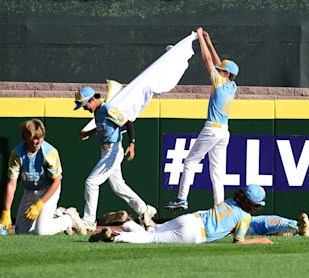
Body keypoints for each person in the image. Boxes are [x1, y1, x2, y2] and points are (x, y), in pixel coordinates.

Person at [166, 27, 239, 210]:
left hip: (212, 129)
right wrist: (209, 41)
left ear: (225, 74)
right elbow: (217, 62)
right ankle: (219, 206)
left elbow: (208, 60)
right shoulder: (232, 85)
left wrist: (199, 37)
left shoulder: (220, 82)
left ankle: (182, 199)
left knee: (190, 162)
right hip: (224, 131)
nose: (218, 70)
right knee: (217, 172)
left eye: (222, 70)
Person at [74, 86, 157, 231]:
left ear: (92, 99)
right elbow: (104, 127)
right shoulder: (98, 112)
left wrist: (132, 144)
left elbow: (127, 123)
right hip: (106, 150)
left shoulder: (107, 109)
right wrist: (89, 132)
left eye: (85, 104)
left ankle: (89, 221)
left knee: (91, 182)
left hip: (113, 150)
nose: (84, 108)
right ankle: (144, 210)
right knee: (119, 187)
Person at [89, 184, 273, 245]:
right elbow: (238, 242)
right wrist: (261, 240)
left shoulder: (230, 201)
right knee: (151, 239)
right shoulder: (245, 216)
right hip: (195, 234)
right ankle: (114, 235)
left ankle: (126, 221)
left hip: (191, 218)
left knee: (152, 233)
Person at [0, 119, 86, 235]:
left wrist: (40, 204)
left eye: (40, 137)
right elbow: (11, 183)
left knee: (42, 232)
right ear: (26, 137)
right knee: (21, 232)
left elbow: (56, 181)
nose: (38, 141)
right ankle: (55, 215)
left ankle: (68, 219)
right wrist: (6, 211)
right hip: (30, 190)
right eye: (35, 138)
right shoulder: (17, 153)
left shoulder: (50, 152)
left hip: (48, 190)